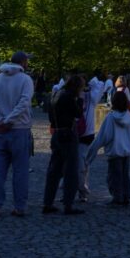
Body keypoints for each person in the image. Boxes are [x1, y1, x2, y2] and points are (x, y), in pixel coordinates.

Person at [0, 52, 34, 218]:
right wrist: (9, 120)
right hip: (19, 129)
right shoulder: (25, 80)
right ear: (23, 62)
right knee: (20, 171)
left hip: (0, 131)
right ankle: (20, 206)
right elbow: (24, 103)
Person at [85, 91, 130, 206]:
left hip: (115, 151)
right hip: (126, 151)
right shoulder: (128, 117)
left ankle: (117, 197)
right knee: (125, 175)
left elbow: (103, 136)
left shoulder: (110, 117)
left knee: (114, 176)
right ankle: (126, 196)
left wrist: (92, 151)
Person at [43, 75, 85, 215]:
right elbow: (78, 113)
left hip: (56, 133)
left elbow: (49, 115)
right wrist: (80, 100)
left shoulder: (55, 95)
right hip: (68, 133)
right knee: (71, 171)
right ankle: (68, 204)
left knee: (54, 170)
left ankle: (47, 202)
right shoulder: (69, 97)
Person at [77, 73, 107, 203]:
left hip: (86, 134)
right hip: (73, 133)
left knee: (83, 164)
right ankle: (76, 188)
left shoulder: (91, 97)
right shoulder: (70, 96)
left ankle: (82, 189)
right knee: (74, 164)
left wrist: (90, 83)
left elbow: (101, 85)